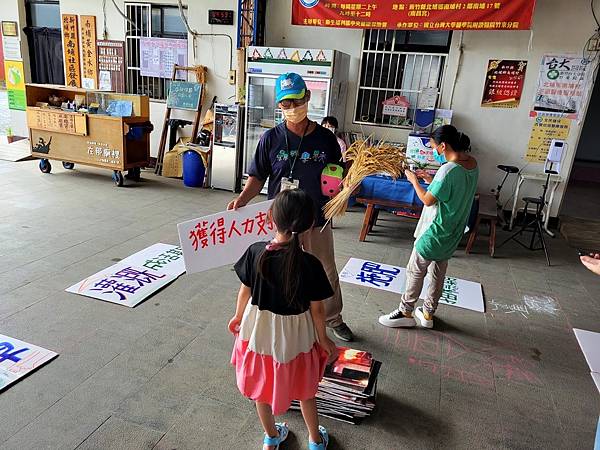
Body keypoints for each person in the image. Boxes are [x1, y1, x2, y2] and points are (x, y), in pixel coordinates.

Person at [227, 72, 353, 342]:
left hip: (317, 217)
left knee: (325, 268)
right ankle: (289, 317)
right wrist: (242, 200)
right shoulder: (270, 138)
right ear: (279, 106)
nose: (292, 108)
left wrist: (343, 186)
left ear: (307, 98)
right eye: (286, 104)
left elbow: (336, 174)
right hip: (282, 218)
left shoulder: (326, 139)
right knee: (279, 266)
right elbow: (257, 177)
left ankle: (333, 318)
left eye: (297, 101)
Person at [229, 189, 338, 450]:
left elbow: (245, 290)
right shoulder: (310, 264)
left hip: (259, 331)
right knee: (305, 389)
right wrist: (323, 339)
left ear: (270, 218)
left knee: (261, 388)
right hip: (297, 335)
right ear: (310, 224)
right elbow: (318, 310)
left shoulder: (256, 252)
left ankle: (271, 437)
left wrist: (237, 316)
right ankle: (315, 440)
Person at [379, 125, 479, 329]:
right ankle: (428, 314)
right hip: (454, 231)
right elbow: (453, 191)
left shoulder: (448, 169)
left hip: (435, 231)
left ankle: (405, 312)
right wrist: (431, 180)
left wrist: (414, 180)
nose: (434, 151)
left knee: (415, 271)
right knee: (437, 273)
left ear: (443, 146)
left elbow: (427, 200)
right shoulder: (472, 164)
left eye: (434, 147)